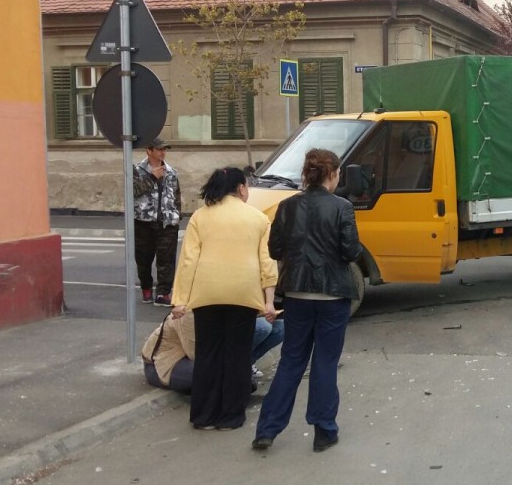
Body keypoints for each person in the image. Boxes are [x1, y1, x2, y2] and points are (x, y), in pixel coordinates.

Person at [253, 149, 360, 453]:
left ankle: (267, 430)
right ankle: (323, 431)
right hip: (332, 294)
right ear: (333, 174)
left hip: (297, 293)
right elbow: (351, 252)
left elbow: (274, 250)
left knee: (291, 361)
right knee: (325, 361)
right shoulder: (342, 207)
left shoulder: (286, 207)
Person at [171, 167, 278, 431]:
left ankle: (203, 416)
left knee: (208, 354)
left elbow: (187, 261)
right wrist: (269, 301)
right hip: (243, 293)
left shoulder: (200, 217)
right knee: (237, 355)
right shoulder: (258, 218)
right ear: (241, 188)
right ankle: (231, 416)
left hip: (207, 294)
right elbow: (267, 263)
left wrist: (180, 300)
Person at [141, 312, 285, 393]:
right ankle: (232, 377)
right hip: (162, 364)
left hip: (200, 355)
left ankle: (236, 372)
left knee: (278, 327)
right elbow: (197, 354)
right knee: (218, 375)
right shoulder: (188, 313)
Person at [133, 137, 182, 306]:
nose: (163, 153)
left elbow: (176, 195)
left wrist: (176, 215)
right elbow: (132, 191)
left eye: (165, 150)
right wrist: (152, 178)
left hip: (167, 222)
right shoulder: (137, 170)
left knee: (166, 260)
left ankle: (163, 293)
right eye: (159, 149)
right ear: (149, 150)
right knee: (143, 259)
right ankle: (146, 288)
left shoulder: (171, 171)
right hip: (143, 221)